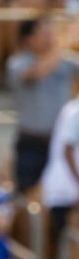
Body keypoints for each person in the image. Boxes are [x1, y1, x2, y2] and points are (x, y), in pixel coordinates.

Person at [7, 18, 79, 193]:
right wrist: (62, 44)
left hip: (58, 144)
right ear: (28, 39)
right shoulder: (17, 63)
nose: (49, 37)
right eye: (44, 33)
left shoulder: (66, 62)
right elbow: (36, 73)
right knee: (26, 196)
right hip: (31, 143)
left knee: (56, 198)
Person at [42, 92, 79, 245]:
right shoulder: (76, 111)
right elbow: (67, 149)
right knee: (62, 240)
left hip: (69, 186)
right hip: (65, 187)